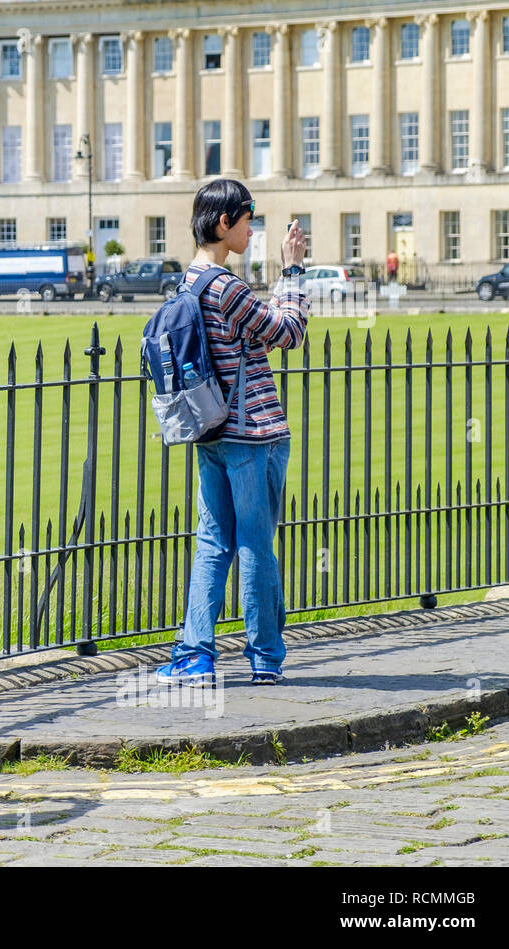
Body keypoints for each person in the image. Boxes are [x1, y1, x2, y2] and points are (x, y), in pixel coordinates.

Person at [156, 179, 309, 687]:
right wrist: (292, 271)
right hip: (255, 435)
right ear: (224, 224)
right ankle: (265, 658)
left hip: (211, 432)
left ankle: (195, 655)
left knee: (212, 542)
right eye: (248, 219)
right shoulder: (227, 286)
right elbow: (289, 333)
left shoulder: (188, 284)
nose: (251, 229)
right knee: (256, 546)